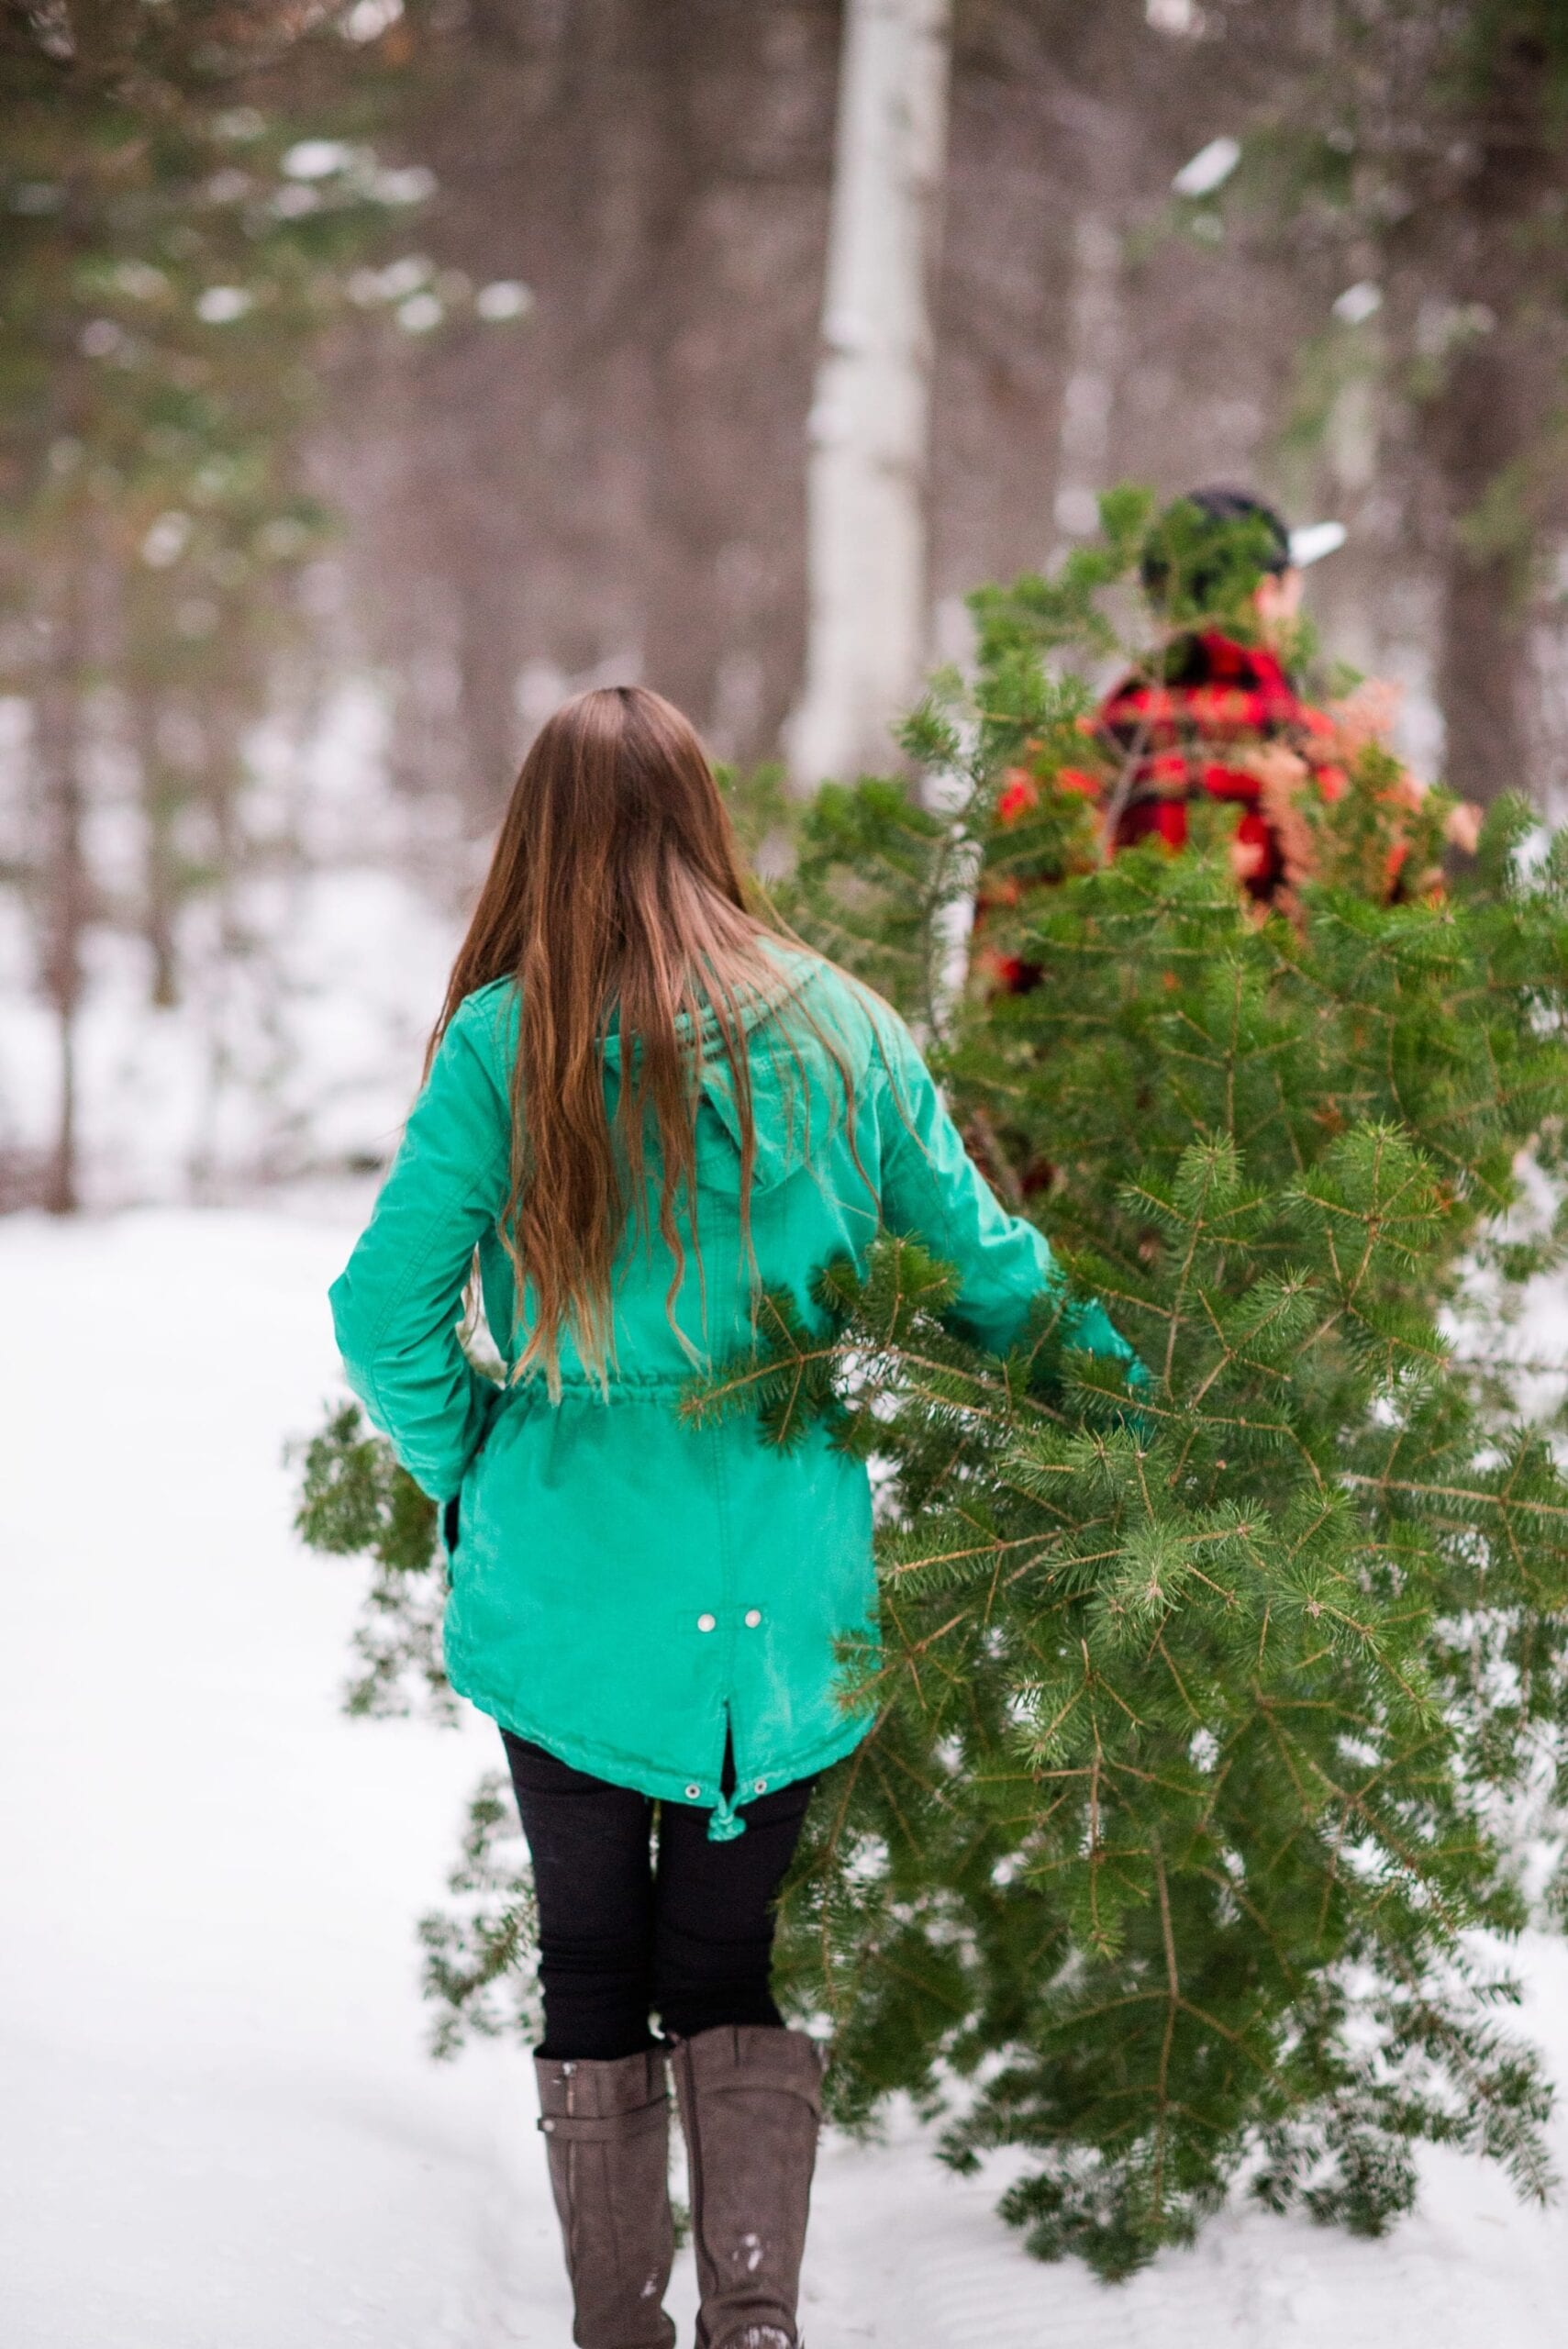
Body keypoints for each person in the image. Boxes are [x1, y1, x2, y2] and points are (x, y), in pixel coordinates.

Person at [328, 685, 1142, 2349]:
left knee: (588, 1965)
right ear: (705, 821)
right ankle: (752, 2316)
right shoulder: (840, 1026)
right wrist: (1135, 1417)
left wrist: (475, 1457)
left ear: (534, 843)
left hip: (568, 1586)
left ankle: (617, 2323)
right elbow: (991, 1274)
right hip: (784, 1600)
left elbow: (379, 1310)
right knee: (723, 1967)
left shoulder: (510, 1037)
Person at [973, 486, 1482, 994]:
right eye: (1292, 594)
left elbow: (995, 992)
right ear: (1264, 594)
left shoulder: (1064, 771)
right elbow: (1431, 989)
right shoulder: (1351, 774)